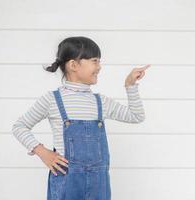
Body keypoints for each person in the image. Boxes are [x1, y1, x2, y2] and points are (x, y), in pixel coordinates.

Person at [12, 36, 150, 200]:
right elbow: (19, 126)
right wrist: (42, 152)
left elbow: (136, 116)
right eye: (95, 61)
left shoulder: (101, 102)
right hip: (66, 181)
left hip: (99, 183)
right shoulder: (52, 100)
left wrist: (130, 85)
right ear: (73, 65)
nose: (99, 67)